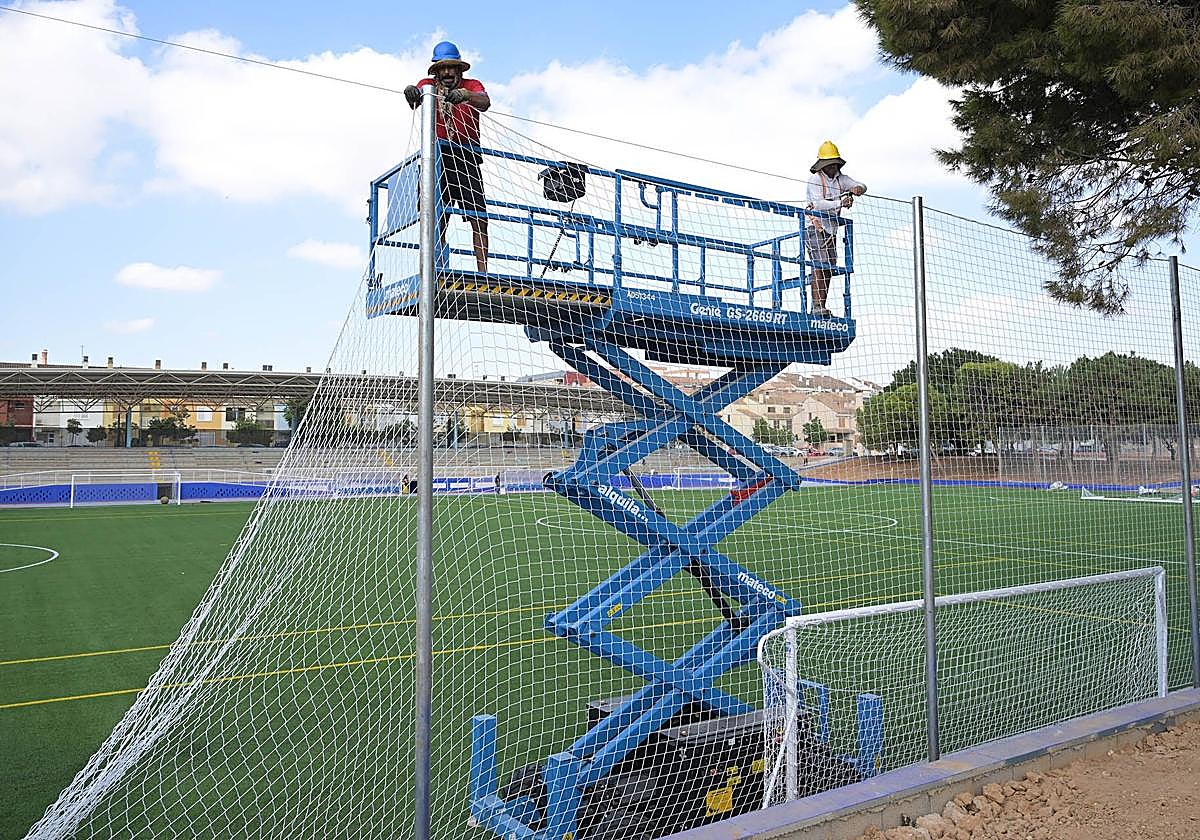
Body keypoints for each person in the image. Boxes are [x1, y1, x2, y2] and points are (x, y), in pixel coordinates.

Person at [404, 41, 491, 273]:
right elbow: (415, 96)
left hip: (466, 156)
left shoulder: (472, 85)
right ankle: (435, 267)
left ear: (459, 69)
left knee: (478, 216)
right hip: (437, 157)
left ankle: (483, 271)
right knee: (435, 215)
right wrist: (411, 92)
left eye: (452, 68)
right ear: (436, 70)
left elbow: (485, 102)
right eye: (442, 68)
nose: (447, 73)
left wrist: (465, 95)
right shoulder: (429, 86)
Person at [805, 141, 866, 317]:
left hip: (831, 230)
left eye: (834, 163)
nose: (832, 167)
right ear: (823, 164)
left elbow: (862, 185)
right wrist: (841, 203)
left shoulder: (841, 179)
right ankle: (817, 305)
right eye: (829, 163)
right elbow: (818, 204)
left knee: (829, 266)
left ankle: (821, 305)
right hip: (815, 227)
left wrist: (857, 189)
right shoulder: (815, 180)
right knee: (819, 264)